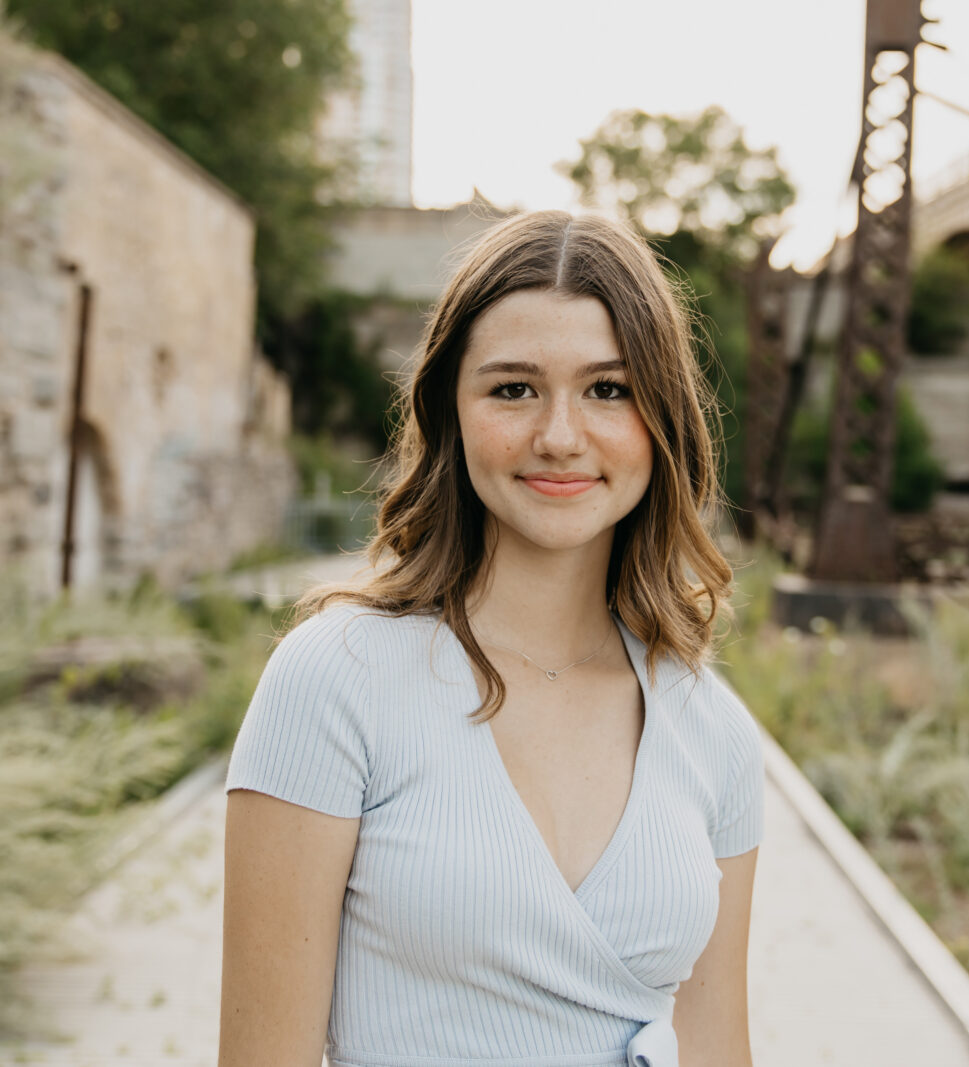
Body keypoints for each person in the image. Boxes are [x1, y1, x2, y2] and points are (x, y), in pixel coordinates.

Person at [218, 210, 764, 1067]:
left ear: (662, 419)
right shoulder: (335, 680)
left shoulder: (715, 728)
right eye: (513, 388)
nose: (559, 435)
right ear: (452, 412)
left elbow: (719, 1048)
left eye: (608, 389)